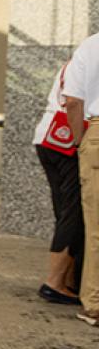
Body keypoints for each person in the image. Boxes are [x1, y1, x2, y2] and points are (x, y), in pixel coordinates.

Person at [34, 62, 83, 304]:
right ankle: (55, 282)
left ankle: (69, 279)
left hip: (47, 137)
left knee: (65, 209)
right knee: (73, 211)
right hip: (67, 141)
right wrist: (80, 141)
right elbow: (74, 102)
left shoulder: (75, 61)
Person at [62, 34, 99, 325]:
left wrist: (79, 142)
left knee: (96, 225)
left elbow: (73, 100)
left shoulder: (92, 45)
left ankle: (95, 304)